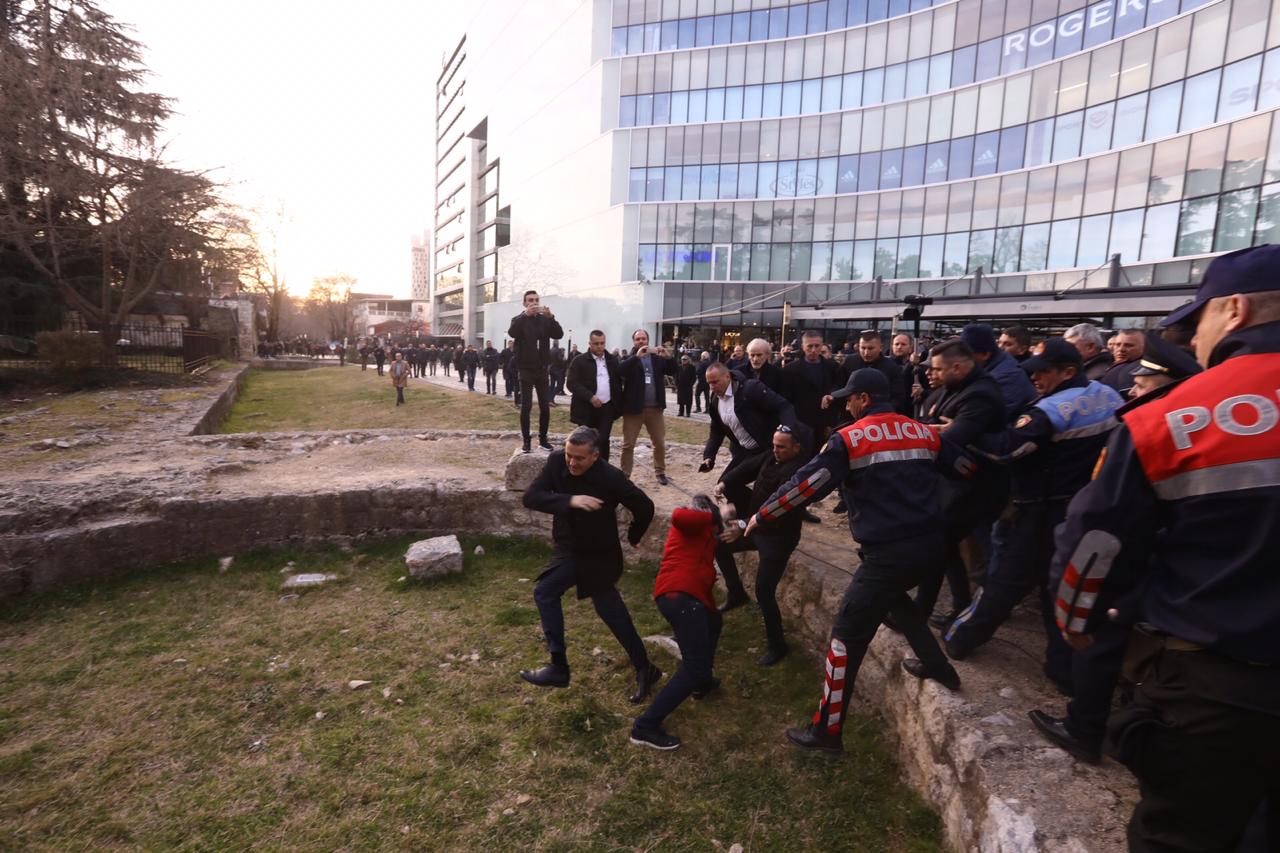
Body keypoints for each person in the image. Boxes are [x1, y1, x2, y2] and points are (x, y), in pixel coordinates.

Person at [1050, 244, 1280, 851]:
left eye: (1197, 317)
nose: (1191, 335)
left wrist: (1078, 622)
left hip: (1218, 691)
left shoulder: (1171, 417)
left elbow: (1096, 543)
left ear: (1233, 311)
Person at [751, 369, 968, 753]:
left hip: (888, 554)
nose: (845, 404)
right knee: (897, 602)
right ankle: (939, 666)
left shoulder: (849, 439)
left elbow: (807, 486)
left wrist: (763, 514)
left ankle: (826, 732)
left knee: (845, 639)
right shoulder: (924, 430)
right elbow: (966, 469)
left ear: (864, 399)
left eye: (849, 398)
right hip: (934, 547)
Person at [1027, 333, 1202, 764]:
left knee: (1098, 640)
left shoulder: (1150, 427)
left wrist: (1069, 601)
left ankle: (1084, 728)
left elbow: (1102, 519)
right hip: (1171, 563)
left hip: (1132, 555)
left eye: (1144, 383)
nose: (1135, 389)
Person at [944, 338, 1125, 695]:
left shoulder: (1052, 410)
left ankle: (959, 639)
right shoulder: (1108, 396)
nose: (1036, 379)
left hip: (1042, 510)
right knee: (1056, 589)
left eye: (1044, 373)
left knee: (1004, 582)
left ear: (1068, 372)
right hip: (1086, 506)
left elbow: (1007, 450)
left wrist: (965, 432)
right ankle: (1063, 671)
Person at [520, 426, 664, 705]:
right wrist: (570, 500)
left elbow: (645, 506)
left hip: (599, 554)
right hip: (568, 548)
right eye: (569, 456)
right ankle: (564, 665)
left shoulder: (611, 477)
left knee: (605, 610)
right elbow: (531, 497)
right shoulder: (555, 461)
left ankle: (565, 668)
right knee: (553, 593)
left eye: (579, 459)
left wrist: (633, 536)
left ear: (595, 456)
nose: (572, 463)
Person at [911, 338, 1006, 629]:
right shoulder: (950, 389)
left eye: (937, 369)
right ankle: (960, 604)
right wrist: (934, 428)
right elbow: (931, 424)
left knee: (936, 545)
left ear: (958, 367)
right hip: (952, 483)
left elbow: (952, 439)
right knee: (946, 547)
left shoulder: (981, 395)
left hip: (975, 488)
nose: (931, 374)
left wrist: (936, 431)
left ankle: (921, 614)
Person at [629, 495, 733, 751]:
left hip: (689, 598)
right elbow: (679, 516)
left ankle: (702, 683)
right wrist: (719, 514)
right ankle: (644, 727)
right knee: (693, 666)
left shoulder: (702, 536)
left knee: (713, 621)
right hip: (679, 596)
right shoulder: (687, 519)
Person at [714, 425, 807, 664]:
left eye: (781, 447)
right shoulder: (772, 455)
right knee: (719, 544)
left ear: (796, 447)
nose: (775, 450)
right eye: (774, 445)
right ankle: (736, 594)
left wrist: (742, 525)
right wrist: (724, 483)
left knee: (764, 592)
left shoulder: (798, 474)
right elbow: (747, 467)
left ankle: (778, 646)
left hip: (778, 538)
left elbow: (777, 512)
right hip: (755, 526)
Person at [699, 361, 804, 516]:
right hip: (744, 452)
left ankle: (764, 516)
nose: (712, 387)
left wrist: (788, 432)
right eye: (709, 383)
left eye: (715, 382)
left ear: (727, 376)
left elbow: (783, 406)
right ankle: (751, 515)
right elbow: (716, 430)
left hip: (767, 448)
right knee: (726, 484)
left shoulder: (750, 389)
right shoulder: (715, 401)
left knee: (766, 488)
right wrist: (709, 456)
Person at [618, 328, 677, 485]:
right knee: (628, 444)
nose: (641, 341)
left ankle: (660, 472)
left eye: (643, 338)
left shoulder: (657, 358)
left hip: (654, 409)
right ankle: (625, 475)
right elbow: (620, 371)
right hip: (633, 410)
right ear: (634, 342)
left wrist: (668, 357)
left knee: (659, 442)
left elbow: (674, 370)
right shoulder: (629, 357)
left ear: (648, 340)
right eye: (638, 339)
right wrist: (636, 358)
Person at [508, 291, 564, 453]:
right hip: (525, 369)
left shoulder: (544, 320)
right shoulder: (518, 319)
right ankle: (526, 441)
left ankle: (543, 439)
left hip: (542, 369)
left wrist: (551, 317)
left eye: (536, 300)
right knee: (526, 406)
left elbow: (558, 334)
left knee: (544, 407)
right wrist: (525, 316)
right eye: (530, 300)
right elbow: (512, 332)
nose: (534, 303)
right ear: (525, 303)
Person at [960, 324, 1037, 420]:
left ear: (985, 354)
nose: (1001, 347)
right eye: (999, 343)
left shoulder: (1007, 377)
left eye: (1008, 344)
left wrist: (958, 424)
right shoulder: (992, 367)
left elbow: (988, 419)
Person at [566, 330, 621, 461]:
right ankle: (585, 468)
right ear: (589, 343)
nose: (600, 346)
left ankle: (602, 470)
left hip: (607, 408)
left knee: (603, 440)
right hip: (585, 409)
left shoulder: (612, 361)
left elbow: (618, 382)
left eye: (602, 343)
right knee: (585, 441)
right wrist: (590, 397)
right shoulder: (579, 361)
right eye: (596, 343)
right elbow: (571, 383)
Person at [846, 330, 908, 415]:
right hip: (850, 416)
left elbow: (898, 398)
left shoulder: (892, 367)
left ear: (880, 347)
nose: (866, 352)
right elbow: (840, 385)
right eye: (863, 348)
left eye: (871, 348)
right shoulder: (850, 362)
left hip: (880, 417)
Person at [1100, 328, 1145, 397]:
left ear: (1144, 347)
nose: (1121, 349)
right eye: (1118, 345)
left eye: (1129, 345)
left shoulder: (1144, 372)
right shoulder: (1107, 364)